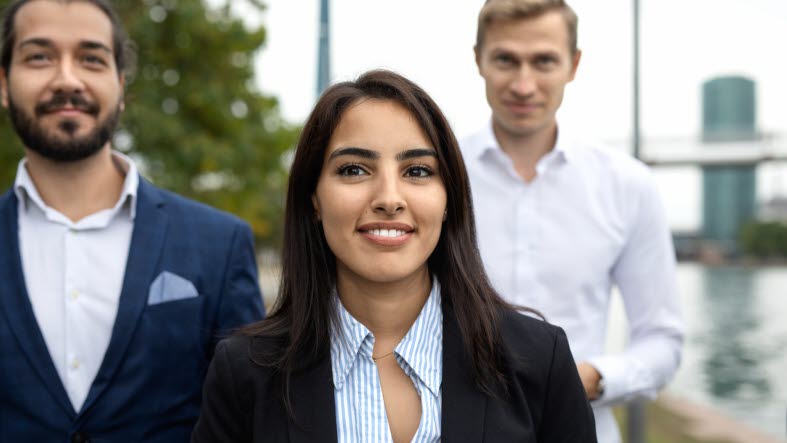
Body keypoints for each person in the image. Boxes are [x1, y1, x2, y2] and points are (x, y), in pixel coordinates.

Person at [192, 69, 597, 443]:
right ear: (314, 198)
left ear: (448, 199)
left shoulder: (539, 361)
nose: (389, 198)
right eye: (353, 170)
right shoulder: (245, 372)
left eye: (417, 171)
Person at [0, 0, 264, 441]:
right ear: (4, 83)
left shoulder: (220, 244)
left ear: (121, 87)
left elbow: (250, 419)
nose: (67, 79)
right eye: (39, 56)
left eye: (91, 59)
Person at [461, 0, 684, 441]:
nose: (524, 85)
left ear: (573, 64)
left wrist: (588, 377)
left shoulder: (628, 184)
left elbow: (662, 341)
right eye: (506, 59)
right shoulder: (435, 175)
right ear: (479, 60)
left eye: (544, 61)